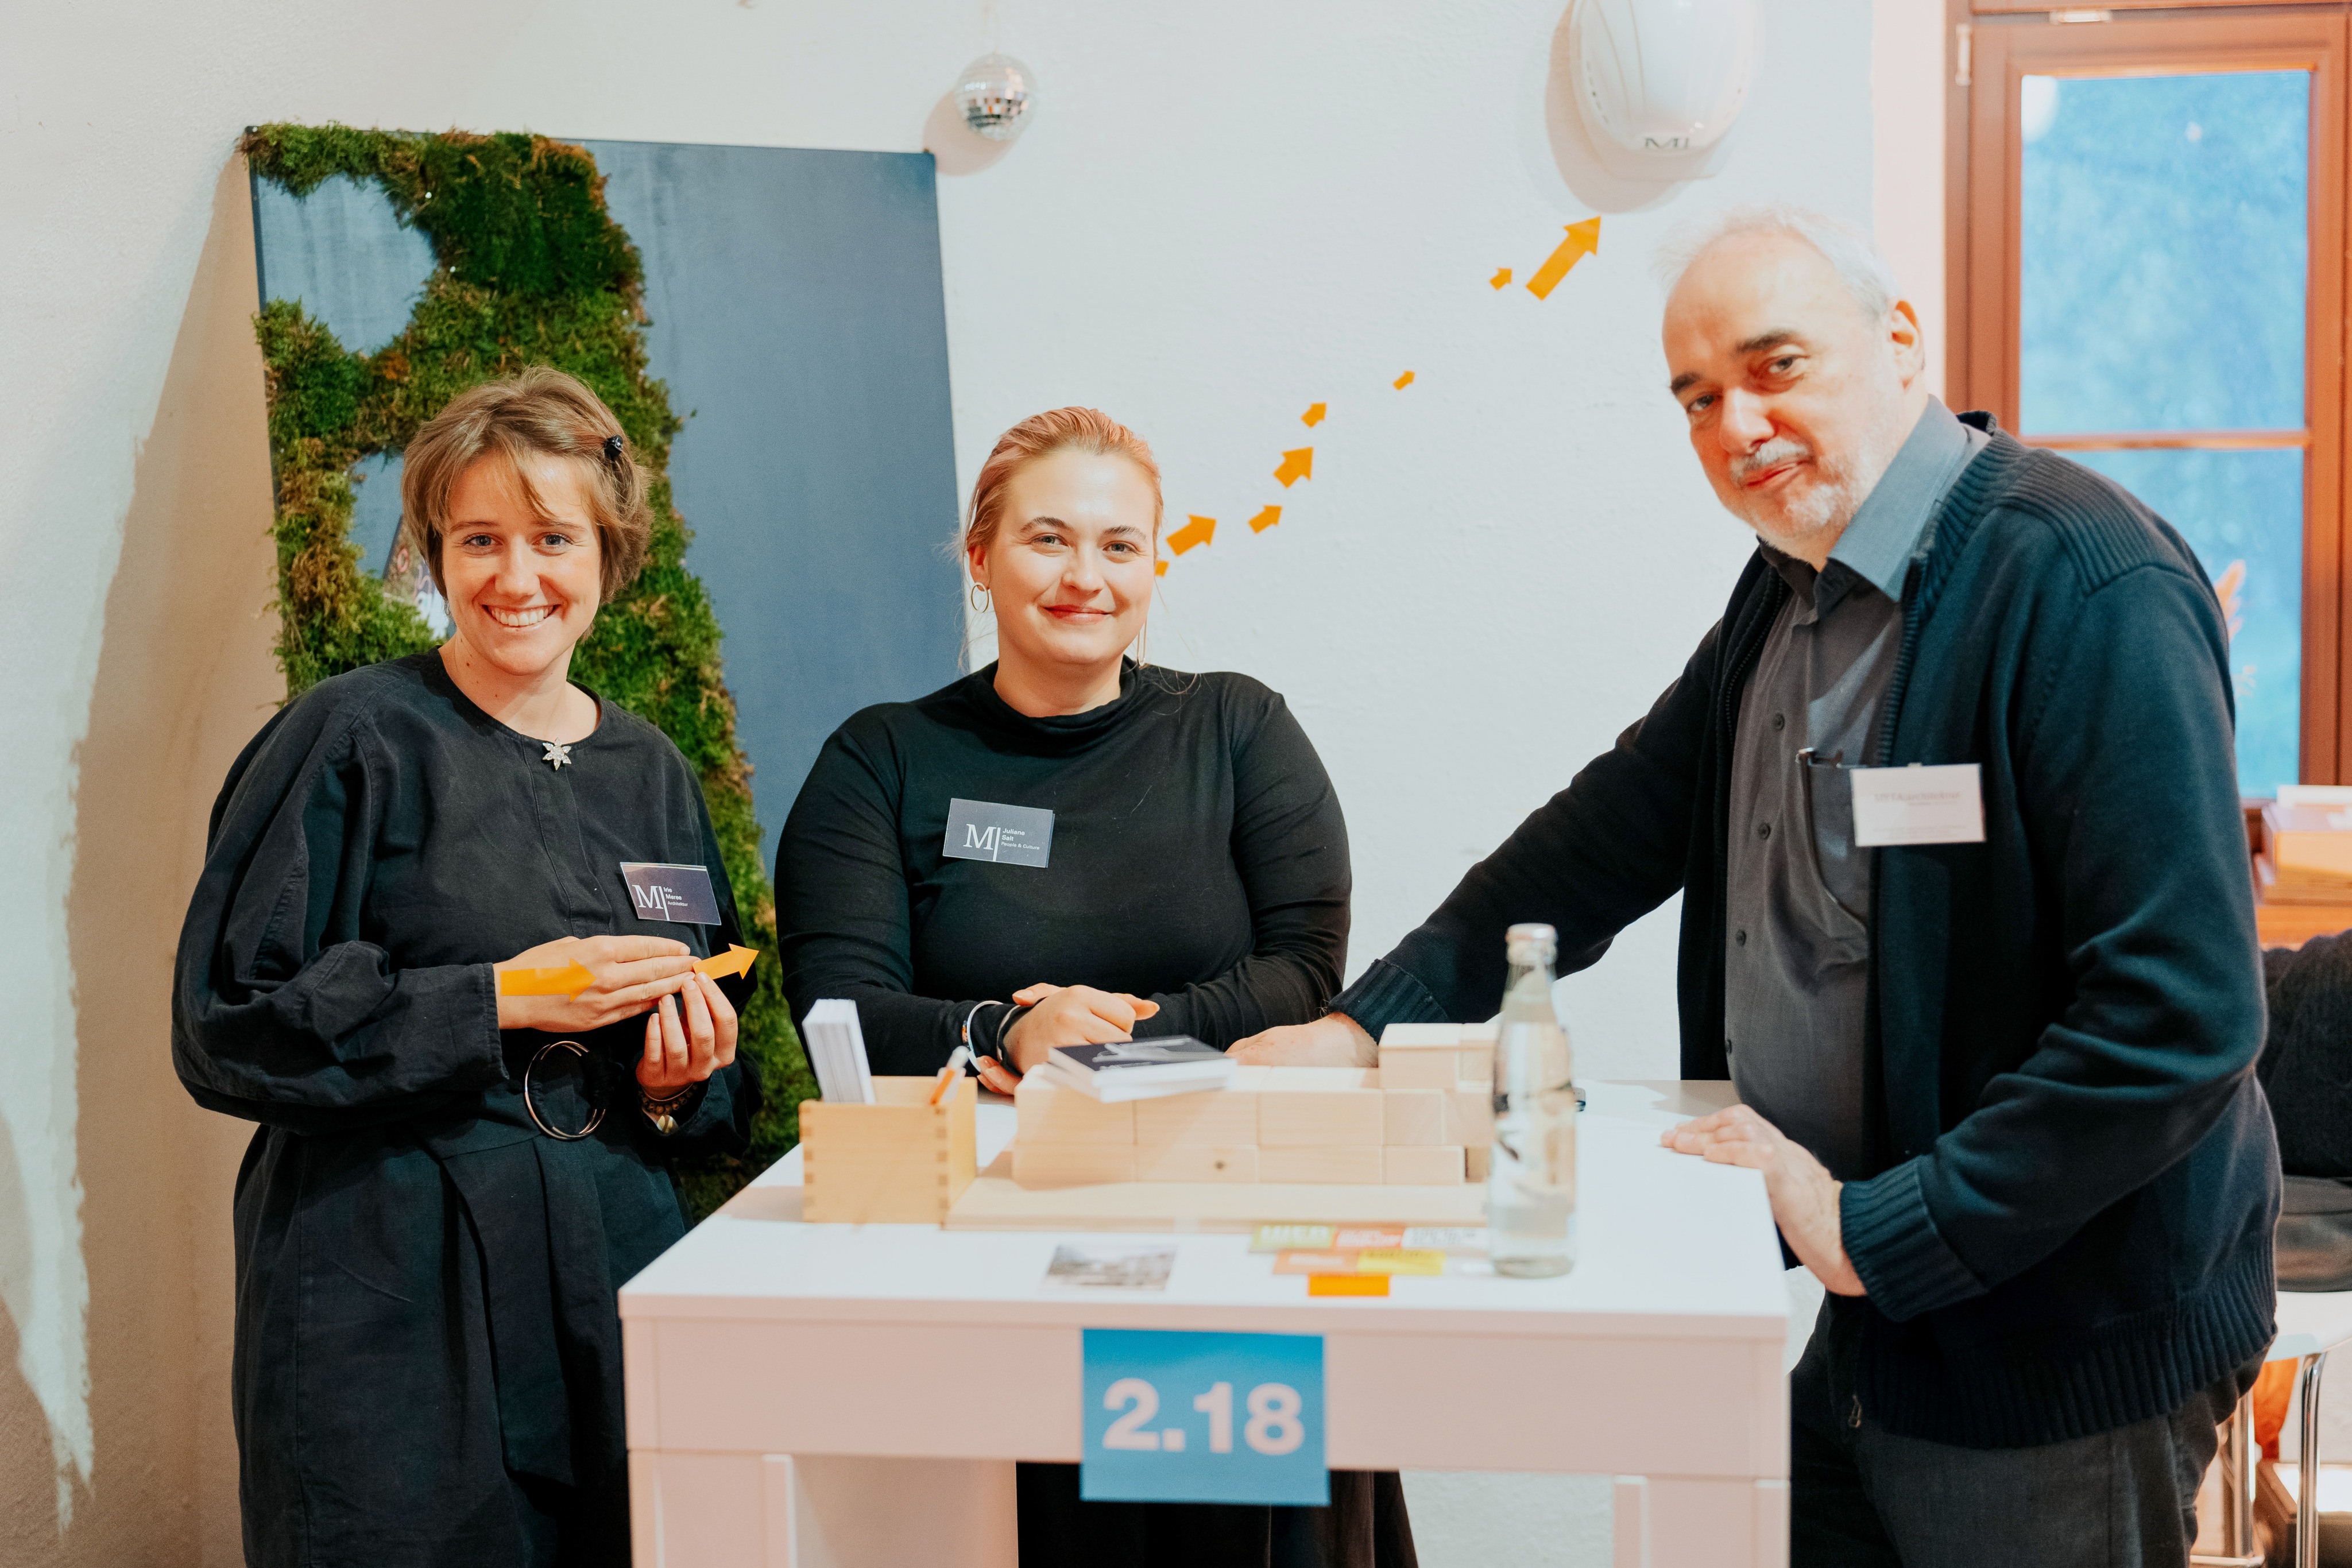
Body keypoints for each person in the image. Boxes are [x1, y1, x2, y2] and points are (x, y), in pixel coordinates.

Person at [1236, 208, 2276, 1567]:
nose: (1736, 424)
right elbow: (1608, 831)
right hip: (1874, 1318)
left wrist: (1871, 1229)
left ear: (1897, 340)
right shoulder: (1787, 589)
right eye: (1695, 398)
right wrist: (1368, 1022)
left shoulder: (2081, 579)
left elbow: (2178, 1015)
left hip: (2053, 1346)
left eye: (1774, 365)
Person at [775, 406, 1414, 1566]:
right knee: (1023, 1533)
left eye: (1120, 545)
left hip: (1221, 1229)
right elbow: (841, 1009)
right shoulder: (884, 758)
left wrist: (1108, 1043)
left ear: (1154, 562)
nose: (1086, 577)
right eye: (1048, 539)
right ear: (981, 557)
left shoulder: (1235, 727)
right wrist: (1007, 1031)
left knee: (1230, 1542)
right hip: (979, 1241)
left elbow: (1303, 973)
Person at [173, 367, 757, 1568]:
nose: (515, 576)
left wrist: (676, 1082)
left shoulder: (652, 771)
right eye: (478, 539)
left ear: (609, 554)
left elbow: (714, 1054)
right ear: (435, 555)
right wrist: (501, 999)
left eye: (553, 538)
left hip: (612, 1274)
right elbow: (227, 1019)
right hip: (392, 1297)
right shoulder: (350, 737)